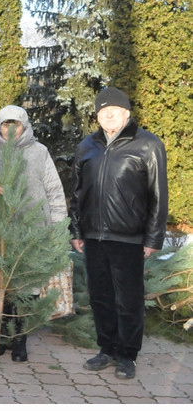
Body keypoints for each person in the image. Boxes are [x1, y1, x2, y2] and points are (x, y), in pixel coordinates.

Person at [70, 87, 168, 380]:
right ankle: (107, 348)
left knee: (129, 299)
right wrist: (76, 229)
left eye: (114, 109)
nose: (108, 114)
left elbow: (158, 195)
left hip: (129, 238)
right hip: (94, 237)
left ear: (127, 112)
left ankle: (127, 355)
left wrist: (152, 238)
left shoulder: (148, 145)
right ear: (97, 115)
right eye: (102, 110)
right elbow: (77, 193)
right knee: (100, 297)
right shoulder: (86, 146)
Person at [0, 105, 67, 362]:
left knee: (26, 285)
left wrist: (58, 228)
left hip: (31, 230)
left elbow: (54, 191)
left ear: (25, 126)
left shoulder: (39, 152)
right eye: (5, 124)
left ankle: (20, 338)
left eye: (16, 124)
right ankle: (1, 335)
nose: (10, 129)